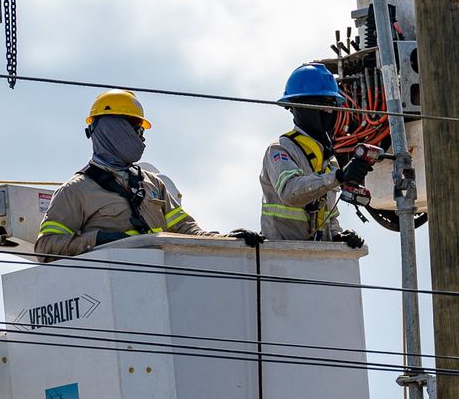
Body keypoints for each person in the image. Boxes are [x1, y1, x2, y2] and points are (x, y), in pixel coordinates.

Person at [35, 89, 260, 260]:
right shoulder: (76, 191)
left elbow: (186, 230)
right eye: (137, 130)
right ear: (114, 130)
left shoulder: (152, 183)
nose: (142, 139)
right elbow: (46, 247)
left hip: (161, 279)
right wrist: (99, 240)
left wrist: (227, 240)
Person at [260, 64, 368, 248]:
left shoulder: (328, 160)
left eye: (332, 104)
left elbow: (327, 212)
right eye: (322, 103)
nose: (328, 111)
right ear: (297, 105)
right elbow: (290, 192)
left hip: (316, 258)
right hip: (280, 256)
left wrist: (337, 234)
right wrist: (338, 177)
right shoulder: (280, 150)